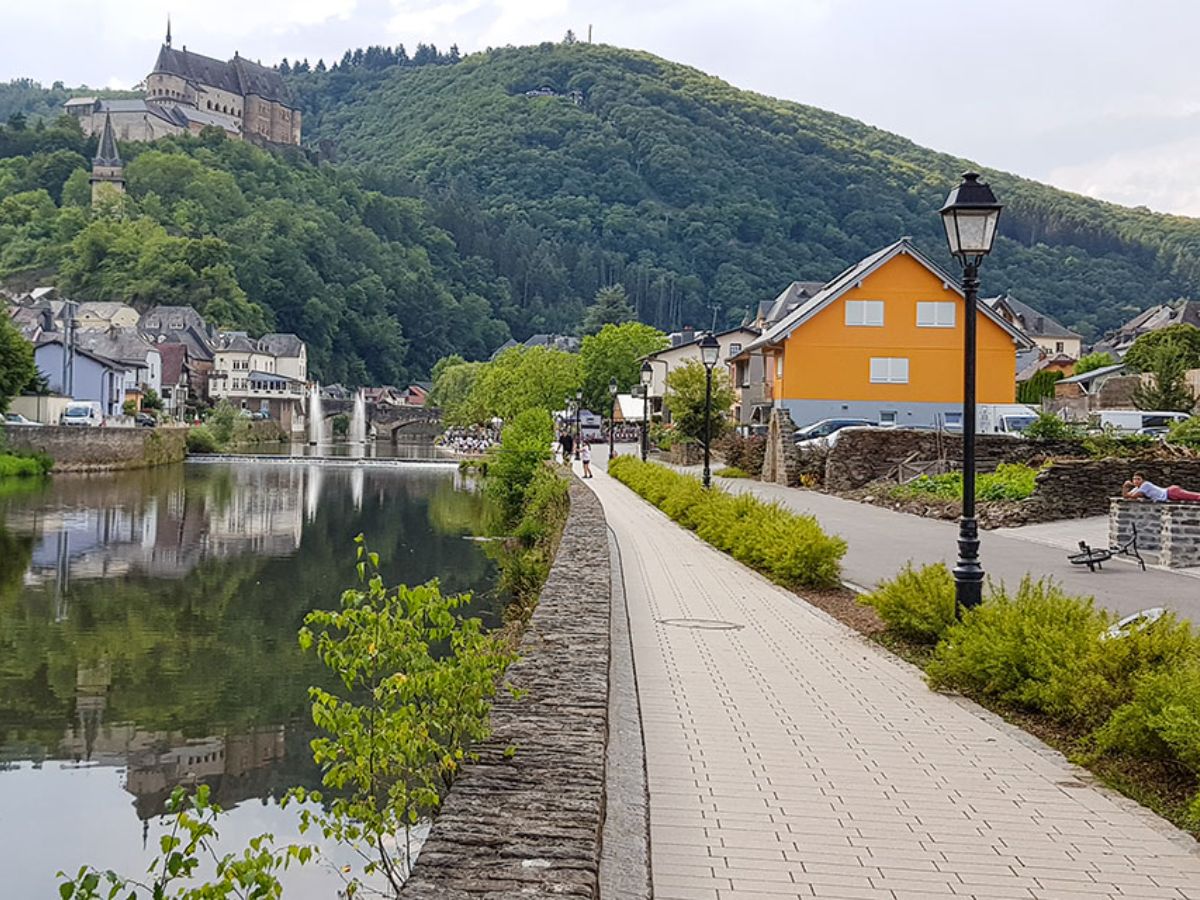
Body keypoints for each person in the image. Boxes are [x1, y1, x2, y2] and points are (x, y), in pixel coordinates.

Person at [1123, 473, 1200, 502]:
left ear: (1143, 480)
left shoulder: (1145, 485)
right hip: (1170, 495)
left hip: (1171, 492)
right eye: (1134, 479)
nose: (1135, 481)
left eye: (1138, 479)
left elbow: (1134, 496)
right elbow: (1126, 497)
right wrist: (1125, 487)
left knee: (1195, 497)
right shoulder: (1137, 488)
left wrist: (1126, 487)